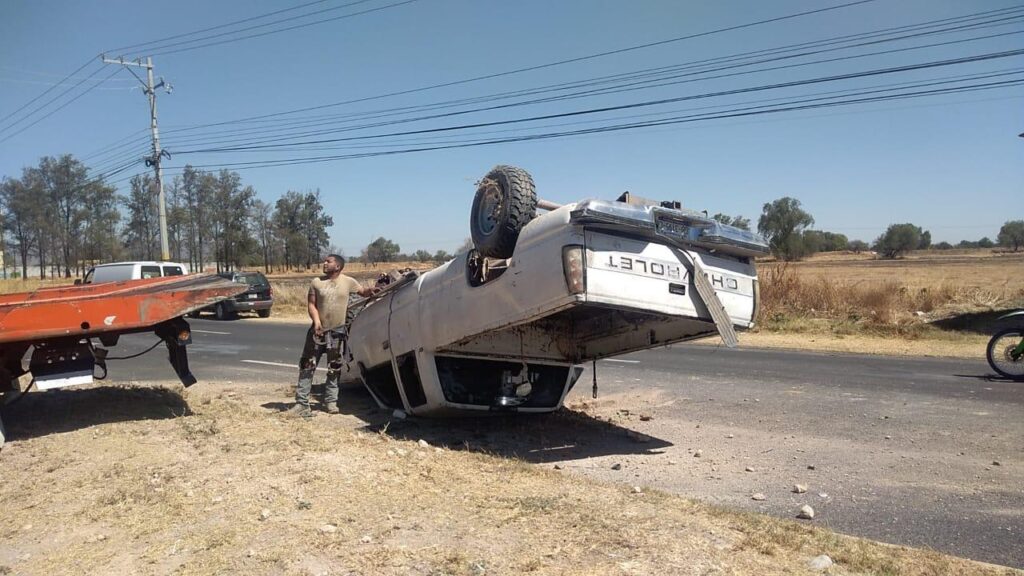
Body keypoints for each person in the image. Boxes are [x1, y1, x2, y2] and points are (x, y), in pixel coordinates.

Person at [287, 254, 377, 418]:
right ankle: (301, 404)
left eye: (328, 261)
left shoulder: (348, 282)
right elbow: (311, 305)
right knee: (307, 365)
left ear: (337, 266)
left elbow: (363, 292)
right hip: (317, 333)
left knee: (334, 368)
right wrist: (317, 322)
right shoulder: (316, 282)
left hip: (337, 333)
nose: (324, 263)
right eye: (325, 261)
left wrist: (371, 290)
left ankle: (331, 402)